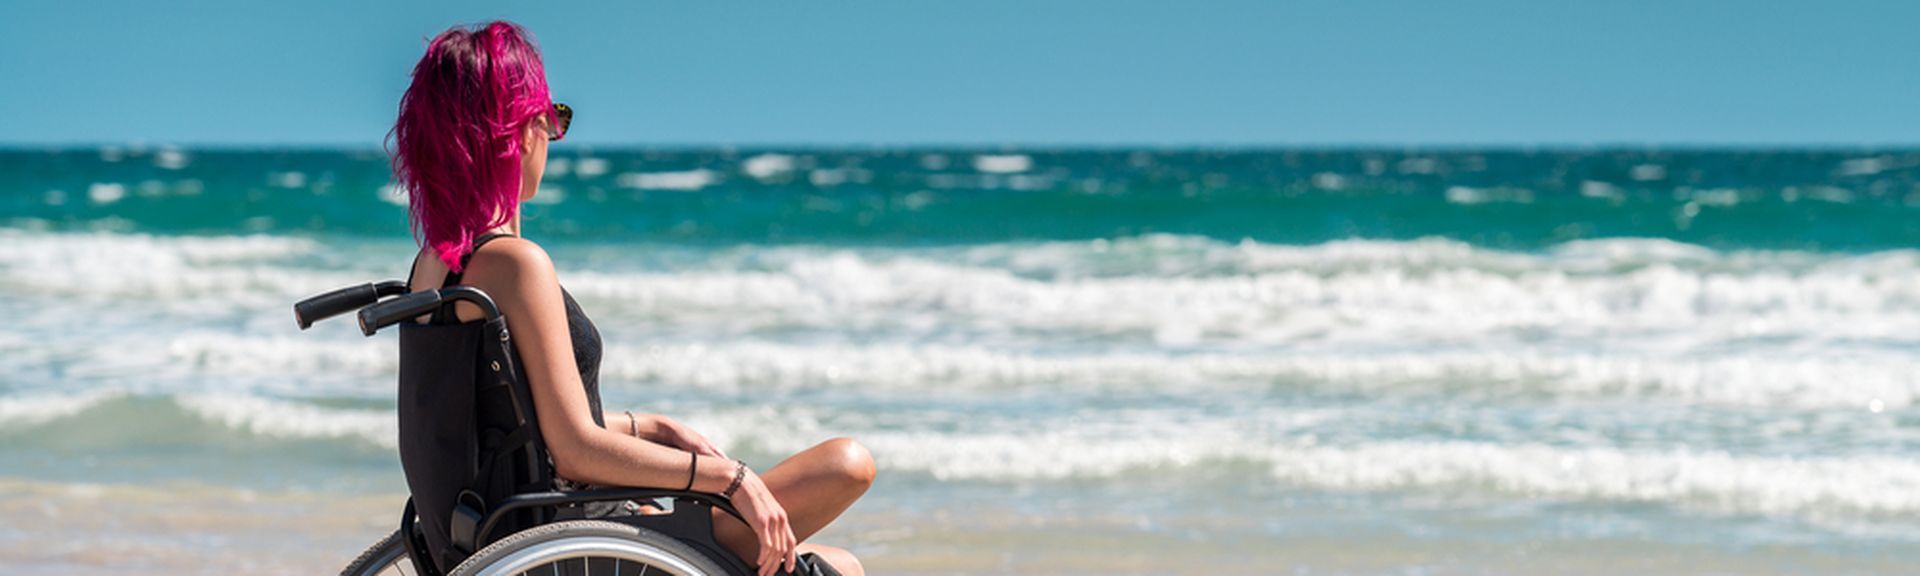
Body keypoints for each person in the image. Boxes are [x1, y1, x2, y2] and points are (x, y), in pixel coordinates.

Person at [389, 21, 875, 576]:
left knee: (836, 557)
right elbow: (574, 449)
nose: (552, 133)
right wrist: (731, 479)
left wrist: (652, 427)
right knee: (847, 467)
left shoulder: (433, 266)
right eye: (550, 117)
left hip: (491, 534)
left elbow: (507, 421)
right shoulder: (515, 265)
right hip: (566, 546)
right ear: (515, 130)